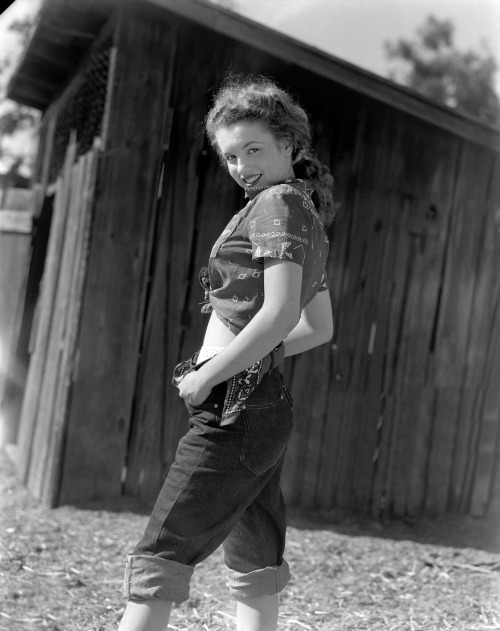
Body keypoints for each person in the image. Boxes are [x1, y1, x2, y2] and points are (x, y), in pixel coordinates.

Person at [118, 75, 335, 631]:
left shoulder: (277, 204)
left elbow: (283, 313)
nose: (241, 165)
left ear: (289, 144)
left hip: (234, 407)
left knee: (162, 548)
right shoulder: (301, 209)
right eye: (231, 155)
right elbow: (319, 327)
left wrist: (211, 372)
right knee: (256, 551)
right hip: (261, 406)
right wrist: (251, 361)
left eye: (254, 149)